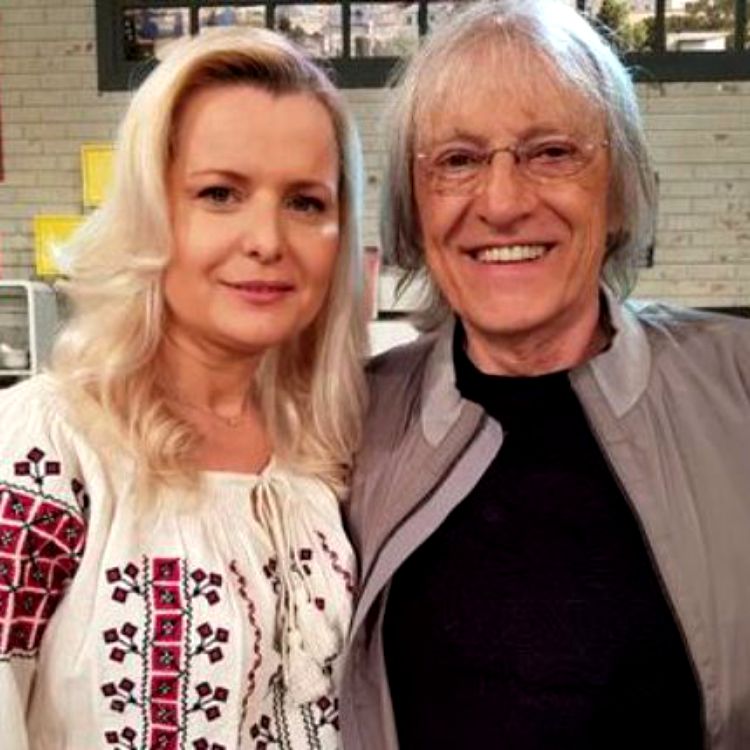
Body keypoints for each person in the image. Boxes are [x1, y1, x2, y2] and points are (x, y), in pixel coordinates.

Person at [340, 1, 750, 748]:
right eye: (457, 160)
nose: (502, 202)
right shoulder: (351, 425)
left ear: (618, 192)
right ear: (414, 210)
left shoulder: (738, 390)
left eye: (552, 151)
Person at [0, 27, 366, 749]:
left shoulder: (325, 451)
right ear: (151, 210)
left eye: (305, 203)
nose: (267, 240)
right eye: (220, 194)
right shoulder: (47, 448)